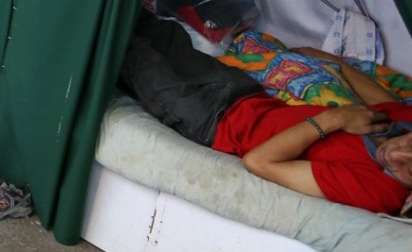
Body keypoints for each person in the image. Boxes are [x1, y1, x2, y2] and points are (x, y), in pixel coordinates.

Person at [121, 12, 412, 214]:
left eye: (409, 170)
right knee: (162, 33)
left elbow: (260, 162)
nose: (396, 154)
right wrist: (330, 60)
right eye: (411, 145)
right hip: (243, 92)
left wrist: (334, 119)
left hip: (215, 124)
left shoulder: (379, 191)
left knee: (133, 53)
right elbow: (384, 99)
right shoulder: (404, 122)